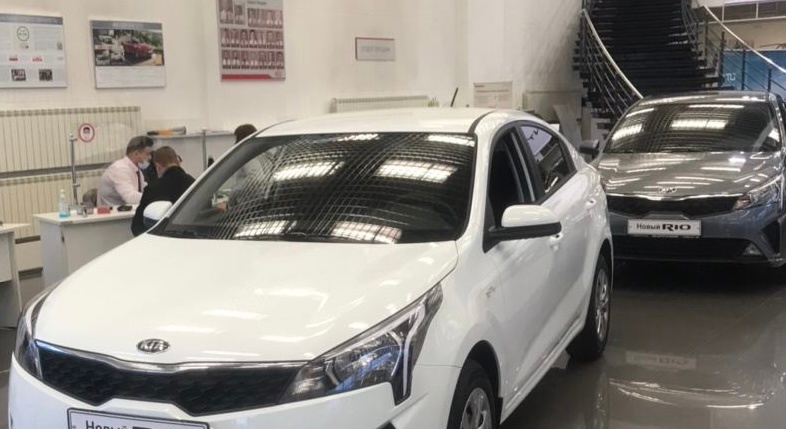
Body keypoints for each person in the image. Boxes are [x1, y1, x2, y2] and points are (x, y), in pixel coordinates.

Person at [131, 146, 195, 236]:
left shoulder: (152, 189)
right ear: (178, 162)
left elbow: (137, 226)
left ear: (158, 167)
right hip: (192, 237)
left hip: (161, 239)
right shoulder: (195, 184)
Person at [97, 136, 153, 206]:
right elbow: (130, 198)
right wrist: (154, 197)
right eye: (147, 154)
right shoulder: (119, 169)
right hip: (112, 212)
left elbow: (144, 189)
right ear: (136, 154)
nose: (150, 157)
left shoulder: (136, 170)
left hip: (126, 210)